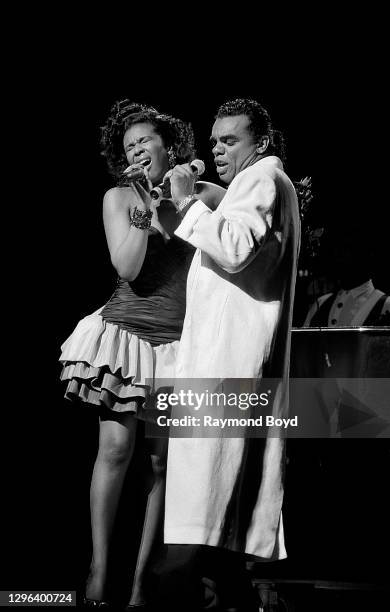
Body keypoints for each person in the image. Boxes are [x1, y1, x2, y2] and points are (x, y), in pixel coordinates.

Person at [150, 99, 301, 611]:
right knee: (219, 534)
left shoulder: (262, 179)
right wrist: (196, 203)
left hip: (226, 376)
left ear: (260, 142)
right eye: (213, 141)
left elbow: (234, 247)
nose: (216, 150)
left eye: (229, 141)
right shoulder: (255, 183)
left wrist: (191, 205)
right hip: (225, 373)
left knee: (195, 531)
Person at [59, 99, 201, 609]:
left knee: (163, 467)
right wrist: (144, 205)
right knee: (116, 453)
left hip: (179, 344)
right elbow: (130, 268)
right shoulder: (120, 197)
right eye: (127, 146)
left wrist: (181, 200)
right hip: (126, 336)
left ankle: (143, 583)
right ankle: (99, 569)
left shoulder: (199, 193)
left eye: (143, 140)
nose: (136, 149)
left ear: (170, 145)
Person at [304, 225, 390, 327]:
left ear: (367, 255)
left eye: (348, 248)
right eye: (338, 249)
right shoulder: (320, 304)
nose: (340, 256)